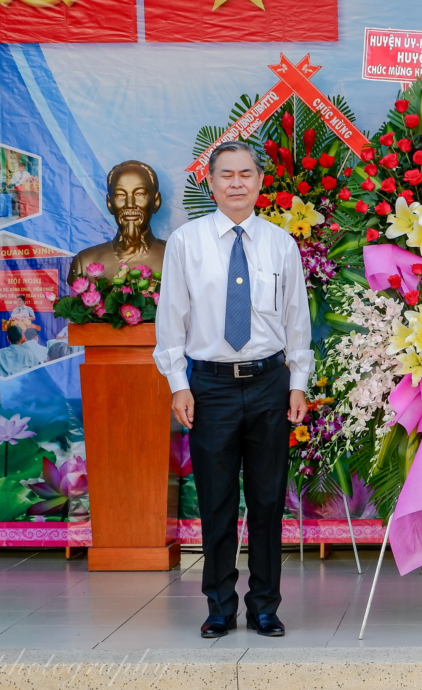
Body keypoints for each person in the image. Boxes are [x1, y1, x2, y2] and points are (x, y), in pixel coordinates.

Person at [153, 140, 312, 640]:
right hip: (211, 387)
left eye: (246, 174)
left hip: (269, 384)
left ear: (261, 182)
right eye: (226, 174)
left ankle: (265, 605)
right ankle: (219, 606)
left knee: (267, 501)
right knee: (217, 502)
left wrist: (298, 383)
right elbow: (171, 318)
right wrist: (178, 384)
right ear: (211, 182)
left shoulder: (281, 244)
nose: (237, 183)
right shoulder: (186, 242)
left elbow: (297, 320)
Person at [68, 161, 168, 283]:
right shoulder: (85, 262)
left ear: (156, 202)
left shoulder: (175, 257)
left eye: (139, 194)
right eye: (120, 195)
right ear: (109, 203)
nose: (130, 204)